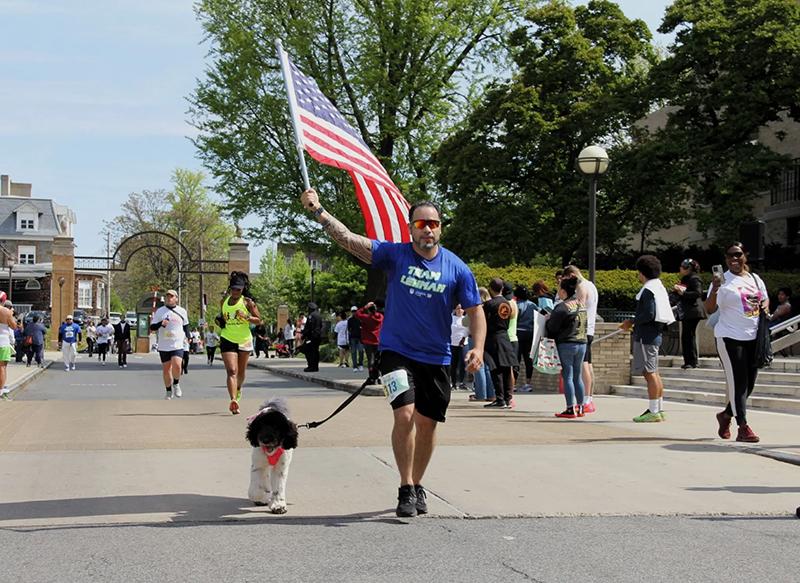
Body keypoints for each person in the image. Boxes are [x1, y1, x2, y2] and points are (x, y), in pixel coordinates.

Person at [300, 187, 485, 518]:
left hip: (437, 357)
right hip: (395, 352)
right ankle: (404, 486)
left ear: (440, 227)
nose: (427, 228)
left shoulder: (457, 268)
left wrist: (478, 347)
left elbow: (476, 311)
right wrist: (319, 212)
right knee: (404, 414)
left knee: (427, 425)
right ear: (411, 227)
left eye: (433, 223)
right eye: (420, 223)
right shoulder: (395, 255)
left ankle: (417, 483)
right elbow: (350, 240)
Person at [704, 242, 769, 443]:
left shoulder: (755, 279)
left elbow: (765, 300)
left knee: (749, 384)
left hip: (753, 337)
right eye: (730, 256)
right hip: (729, 337)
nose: (734, 259)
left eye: (738, 255)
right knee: (738, 383)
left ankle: (725, 415)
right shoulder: (722, 281)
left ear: (745, 256)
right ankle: (743, 426)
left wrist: (764, 306)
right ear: (725, 259)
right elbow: (709, 308)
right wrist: (715, 289)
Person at [621, 255, 675, 423]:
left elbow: (648, 313)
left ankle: (653, 410)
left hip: (646, 335)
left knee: (649, 372)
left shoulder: (648, 290)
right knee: (654, 372)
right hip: (655, 334)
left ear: (642, 273)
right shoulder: (658, 286)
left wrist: (632, 321)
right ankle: (658, 408)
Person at [218, 272, 262, 414]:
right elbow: (222, 316)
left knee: (241, 372)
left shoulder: (247, 302)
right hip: (227, 338)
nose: (236, 291)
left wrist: (247, 317)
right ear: (230, 288)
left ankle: (238, 388)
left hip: (244, 339)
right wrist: (220, 320)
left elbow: (259, 320)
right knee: (232, 371)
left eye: (239, 289)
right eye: (233, 289)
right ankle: (233, 400)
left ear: (243, 289)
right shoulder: (224, 300)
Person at [546, 277, 588, 418]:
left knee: (567, 376)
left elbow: (552, 327)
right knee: (578, 376)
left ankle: (570, 408)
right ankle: (581, 407)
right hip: (582, 343)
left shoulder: (562, 307)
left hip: (567, 344)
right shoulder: (581, 305)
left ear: (563, 291)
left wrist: (547, 319)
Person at [562, 265, 599, 414]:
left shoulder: (582, 287)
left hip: (583, 330)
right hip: (589, 329)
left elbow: (580, 307)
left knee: (583, 365)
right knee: (588, 364)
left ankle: (586, 400)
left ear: (572, 275)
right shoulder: (591, 285)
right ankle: (589, 398)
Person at [482, 278, 518, 410]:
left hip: (493, 337)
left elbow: (483, 321)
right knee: (507, 368)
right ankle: (508, 399)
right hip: (505, 336)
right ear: (502, 288)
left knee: (495, 368)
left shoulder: (489, 304)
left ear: (491, 289)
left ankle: (500, 398)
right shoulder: (507, 304)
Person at [150, 289, 189, 401]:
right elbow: (152, 327)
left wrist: (188, 336)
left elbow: (186, 325)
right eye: (167, 296)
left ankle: (176, 384)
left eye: (171, 296)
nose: (169, 298)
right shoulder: (160, 311)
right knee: (166, 369)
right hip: (164, 344)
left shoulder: (182, 311)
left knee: (177, 364)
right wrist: (160, 324)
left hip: (177, 343)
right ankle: (168, 390)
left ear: (176, 298)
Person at [675, 258, 706, 369]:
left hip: (693, 311)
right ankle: (688, 360)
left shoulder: (694, 278)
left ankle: (692, 361)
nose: (680, 268)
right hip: (687, 311)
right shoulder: (685, 279)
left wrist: (683, 293)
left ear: (688, 268)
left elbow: (698, 293)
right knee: (686, 336)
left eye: (683, 267)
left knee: (688, 336)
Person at [468, 287, 495, 402]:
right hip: (487, 338)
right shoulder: (492, 307)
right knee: (488, 367)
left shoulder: (479, 308)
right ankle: (491, 393)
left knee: (478, 367)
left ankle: (481, 394)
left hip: (475, 337)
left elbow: (465, 322)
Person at [514, 285, 536, 392]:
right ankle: (528, 383)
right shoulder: (533, 305)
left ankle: (513, 383)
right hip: (530, 334)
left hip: (518, 333)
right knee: (528, 359)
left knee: (516, 359)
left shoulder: (516, 305)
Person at [356, 301, 384, 383]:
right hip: (378, 341)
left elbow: (357, 314)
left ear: (368, 310)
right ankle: (379, 376)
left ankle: (372, 377)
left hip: (368, 341)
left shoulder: (366, 318)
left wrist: (365, 306)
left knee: (370, 360)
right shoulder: (381, 317)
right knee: (378, 360)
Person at [0, 294, 17, 400]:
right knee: (2, 367)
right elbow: (14, 326)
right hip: (2, 342)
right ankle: (1, 391)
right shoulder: (6, 312)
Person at [298, 302, 323, 372]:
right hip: (318, 336)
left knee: (307, 350)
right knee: (315, 351)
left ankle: (311, 366)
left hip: (311, 337)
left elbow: (308, 328)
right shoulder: (319, 315)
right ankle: (315, 366)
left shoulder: (311, 316)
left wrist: (303, 335)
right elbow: (320, 326)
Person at [449, 304, 469, 390]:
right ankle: (453, 383)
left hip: (463, 343)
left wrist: (464, 339)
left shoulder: (465, 319)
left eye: (461, 309)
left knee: (463, 363)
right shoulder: (451, 318)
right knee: (453, 364)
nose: (460, 310)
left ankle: (462, 382)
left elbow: (468, 330)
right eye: (458, 309)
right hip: (453, 343)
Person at [347, 305, 364, 372]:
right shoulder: (350, 320)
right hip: (352, 338)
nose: (354, 312)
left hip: (360, 337)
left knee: (361, 351)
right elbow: (348, 329)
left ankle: (360, 364)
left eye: (355, 311)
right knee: (353, 352)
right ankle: (355, 366)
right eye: (353, 311)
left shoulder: (360, 319)